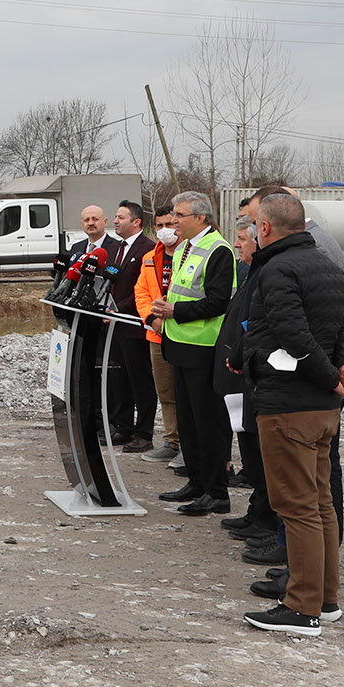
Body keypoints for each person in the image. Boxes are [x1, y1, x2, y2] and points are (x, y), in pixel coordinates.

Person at [238, 193, 344, 635]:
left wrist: (331, 376)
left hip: (290, 406)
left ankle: (302, 607)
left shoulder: (278, 269)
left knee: (297, 506)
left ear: (265, 228)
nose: (250, 232)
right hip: (323, 408)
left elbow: (292, 334)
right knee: (322, 503)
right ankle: (326, 599)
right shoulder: (327, 263)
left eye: (253, 226)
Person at [152, 191, 237, 517]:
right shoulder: (186, 247)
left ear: (201, 217)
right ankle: (197, 480)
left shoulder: (218, 250)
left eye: (179, 215)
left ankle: (216, 492)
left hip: (203, 348)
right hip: (179, 344)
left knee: (207, 423)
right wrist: (164, 312)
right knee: (187, 422)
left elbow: (218, 302)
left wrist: (176, 311)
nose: (173, 221)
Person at [214, 215, 278, 545]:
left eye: (242, 239)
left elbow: (256, 323)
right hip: (244, 371)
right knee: (251, 447)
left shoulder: (267, 273)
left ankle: (267, 519)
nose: (236, 244)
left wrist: (240, 356)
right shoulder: (249, 271)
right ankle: (258, 510)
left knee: (264, 453)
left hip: (259, 375)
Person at [104, 201, 157, 450]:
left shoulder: (149, 249)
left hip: (134, 323)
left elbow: (143, 289)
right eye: (115, 216)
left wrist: (118, 309)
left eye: (121, 217)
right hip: (113, 324)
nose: (115, 221)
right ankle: (122, 426)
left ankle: (144, 432)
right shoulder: (114, 249)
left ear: (136, 221)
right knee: (118, 378)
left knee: (140, 380)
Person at [134, 204, 182, 464]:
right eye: (160, 226)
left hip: (186, 333)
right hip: (157, 335)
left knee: (186, 391)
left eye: (170, 225)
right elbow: (141, 292)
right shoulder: (151, 257)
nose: (164, 231)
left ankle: (190, 444)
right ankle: (172, 441)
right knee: (165, 392)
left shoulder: (191, 255)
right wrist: (151, 319)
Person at [51, 205, 110, 278]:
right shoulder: (76, 248)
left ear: (105, 222)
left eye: (95, 219)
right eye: (86, 220)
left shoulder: (116, 247)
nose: (90, 223)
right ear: (82, 224)